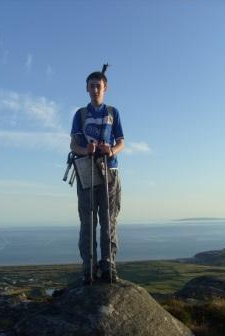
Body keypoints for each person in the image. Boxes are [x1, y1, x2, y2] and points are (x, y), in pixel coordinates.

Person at [70, 64, 125, 284]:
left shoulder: (113, 113)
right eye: (91, 86)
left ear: (105, 88)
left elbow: (121, 141)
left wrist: (110, 150)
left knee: (109, 221)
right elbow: (74, 144)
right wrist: (86, 150)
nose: (95, 90)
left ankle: (108, 265)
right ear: (86, 88)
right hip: (87, 171)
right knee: (88, 222)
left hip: (109, 170)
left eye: (98, 86)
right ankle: (89, 267)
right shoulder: (80, 114)